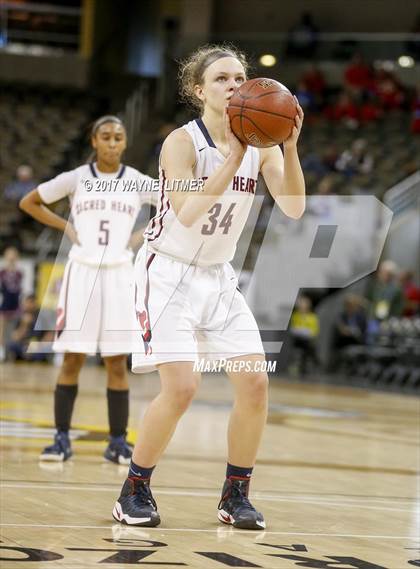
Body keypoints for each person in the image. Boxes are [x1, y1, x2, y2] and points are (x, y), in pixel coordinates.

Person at [112, 45, 305, 529]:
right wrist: (230, 160)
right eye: (221, 79)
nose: (234, 85)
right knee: (182, 387)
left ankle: (235, 495)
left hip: (218, 276)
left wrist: (289, 146)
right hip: (168, 271)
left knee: (256, 383)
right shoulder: (182, 142)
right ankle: (134, 489)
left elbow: (295, 208)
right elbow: (187, 211)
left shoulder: (261, 146)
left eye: (240, 77)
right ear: (199, 90)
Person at [19, 115, 156, 464]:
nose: (112, 142)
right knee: (73, 357)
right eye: (106, 136)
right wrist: (66, 227)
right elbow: (29, 202)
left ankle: (117, 442)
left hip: (120, 274)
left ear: (124, 143)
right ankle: (61, 439)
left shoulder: (138, 181)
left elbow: (173, 207)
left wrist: (141, 236)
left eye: (118, 137)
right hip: (81, 273)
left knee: (115, 364)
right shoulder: (76, 178)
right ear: (94, 141)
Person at [0, 246, 23, 361]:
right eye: (9, 254)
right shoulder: (2, 272)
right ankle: (1, 350)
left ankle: (13, 351)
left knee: (15, 329)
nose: (11, 257)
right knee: (2, 329)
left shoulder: (19, 273)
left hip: (16, 305)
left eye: (14, 254)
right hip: (4, 304)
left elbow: (21, 289)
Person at [289, 295, 319, 376]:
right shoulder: (295, 315)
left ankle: (307, 367)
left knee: (309, 346)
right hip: (297, 340)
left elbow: (314, 331)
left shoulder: (312, 317)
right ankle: (296, 367)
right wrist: (302, 330)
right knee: (300, 346)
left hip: (308, 341)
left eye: (304, 305)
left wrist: (304, 331)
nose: (301, 306)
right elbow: (293, 328)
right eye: (300, 305)